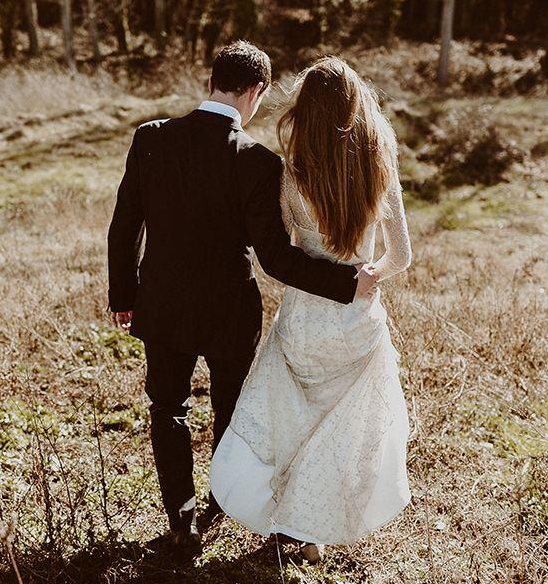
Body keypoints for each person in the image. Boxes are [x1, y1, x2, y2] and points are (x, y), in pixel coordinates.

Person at [106, 42, 379, 551]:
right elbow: (275, 258)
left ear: (212, 82)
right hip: (230, 310)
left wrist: (124, 295)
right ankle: (225, 499)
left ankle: (181, 520)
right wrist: (347, 282)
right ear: (256, 91)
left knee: (167, 408)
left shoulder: (151, 139)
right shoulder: (257, 162)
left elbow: (124, 227)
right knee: (232, 411)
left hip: (161, 304)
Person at [209, 56, 413, 564]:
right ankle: (310, 529)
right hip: (356, 321)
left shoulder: (292, 171)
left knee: (290, 421)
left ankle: (283, 525)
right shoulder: (378, 164)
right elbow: (402, 255)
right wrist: (367, 276)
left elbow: (282, 252)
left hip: (303, 317)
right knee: (338, 432)